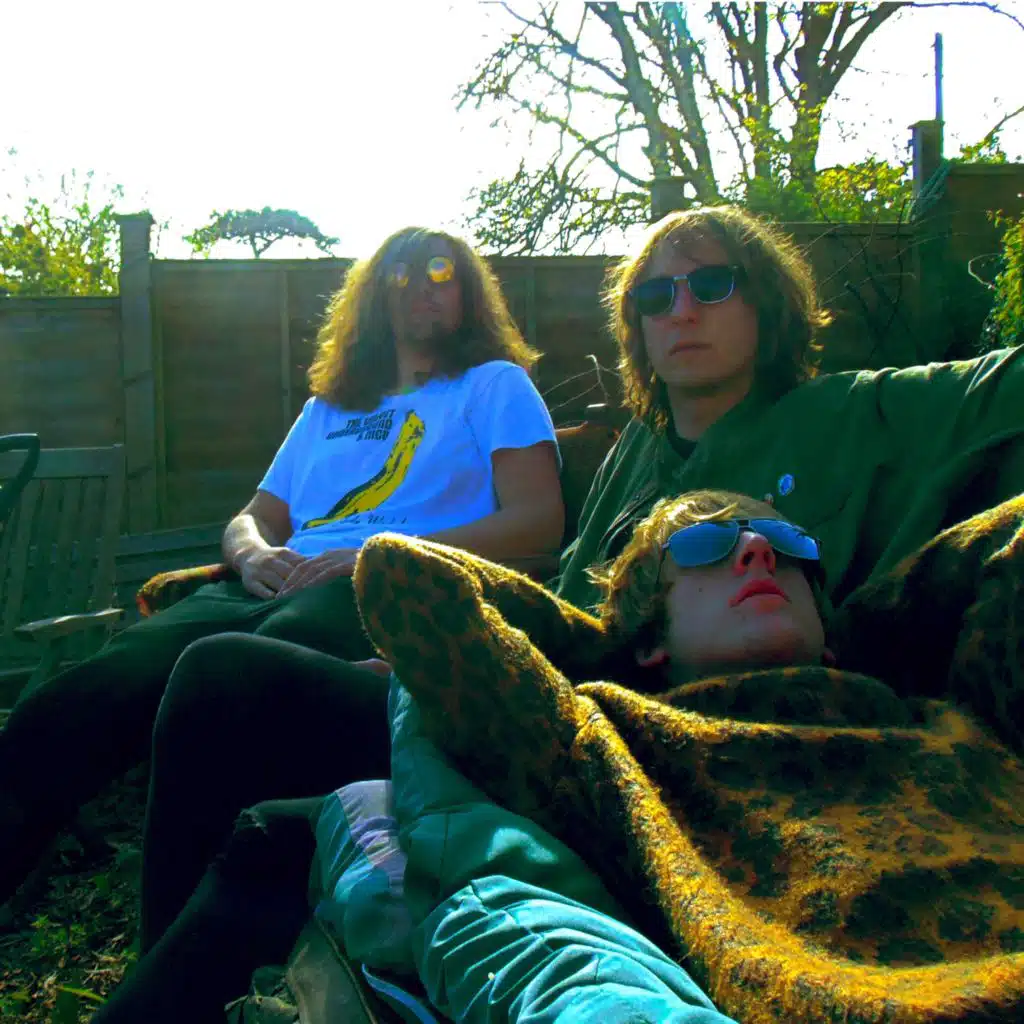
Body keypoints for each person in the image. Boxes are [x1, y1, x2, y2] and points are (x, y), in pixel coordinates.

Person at [91, 489, 822, 1024]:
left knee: (272, 826)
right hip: (550, 692)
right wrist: (436, 668)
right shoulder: (608, 730)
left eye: (787, 544)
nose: (758, 552)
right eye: (703, 546)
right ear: (651, 639)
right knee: (237, 737)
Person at [0, 225, 565, 914]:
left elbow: (539, 523)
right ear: (374, 298)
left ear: (468, 293)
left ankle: (179, 948)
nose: (423, 286)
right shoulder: (328, 409)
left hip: (382, 590)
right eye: (402, 273)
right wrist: (252, 554)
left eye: (442, 272)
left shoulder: (494, 385)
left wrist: (384, 556)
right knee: (89, 690)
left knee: (226, 679)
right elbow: (253, 516)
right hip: (269, 581)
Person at [555, 204, 1024, 614]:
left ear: (766, 303)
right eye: (656, 296)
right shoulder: (636, 448)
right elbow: (569, 592)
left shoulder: (850, 412)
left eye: (712, 284)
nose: (681, 311)